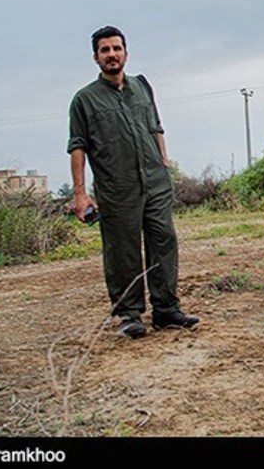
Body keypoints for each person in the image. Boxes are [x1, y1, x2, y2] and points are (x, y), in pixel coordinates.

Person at [67, 26, 199, 338]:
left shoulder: (142, 86)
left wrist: (163, 163)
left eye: (116, 48)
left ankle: (166, 310)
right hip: (117, 188)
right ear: (96, 57)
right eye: (105, 50)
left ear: (126, 52)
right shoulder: (85, 100)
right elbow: (77, 146)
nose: (111, 54)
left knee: (164, 243)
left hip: (154, 182)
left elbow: (156, 126)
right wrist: (80, 194)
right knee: (122, 252)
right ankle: (130, 315)